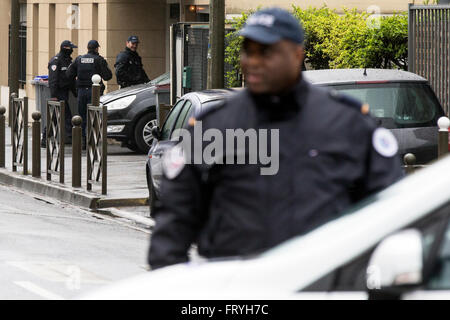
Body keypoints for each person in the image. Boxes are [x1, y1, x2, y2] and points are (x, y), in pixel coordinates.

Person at [147, 8, 404, 270]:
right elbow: (173, 228)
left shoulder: (347, 123)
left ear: (296, 55)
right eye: (249, 51)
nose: (254, 61)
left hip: (322, 284)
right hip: (239, 289)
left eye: (267, 52)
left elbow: (392, 213)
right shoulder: (213, 127)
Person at [67, 40, 112, 148]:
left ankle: (83, 141)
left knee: (81, 117)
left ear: (88, 48)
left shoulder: (79, 59)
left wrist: (75, 87)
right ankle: (93, 139)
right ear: (96, 48)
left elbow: (68, 74)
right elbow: (107, 76)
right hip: (94, 92)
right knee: (94, 116)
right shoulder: (99, 59)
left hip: (81, 91)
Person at [42, 40, 77, 148]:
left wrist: (75, 92)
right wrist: (54, 95)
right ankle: (72, 137)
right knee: (66, 116)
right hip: (58, 93)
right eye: (70, 48)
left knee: (55, 117)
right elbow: (53, 80)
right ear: (65, 48)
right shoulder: (56, 61)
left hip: (65, 91)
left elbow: (69, 78)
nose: (72, 51)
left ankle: (45, 138)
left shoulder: (68, 61)